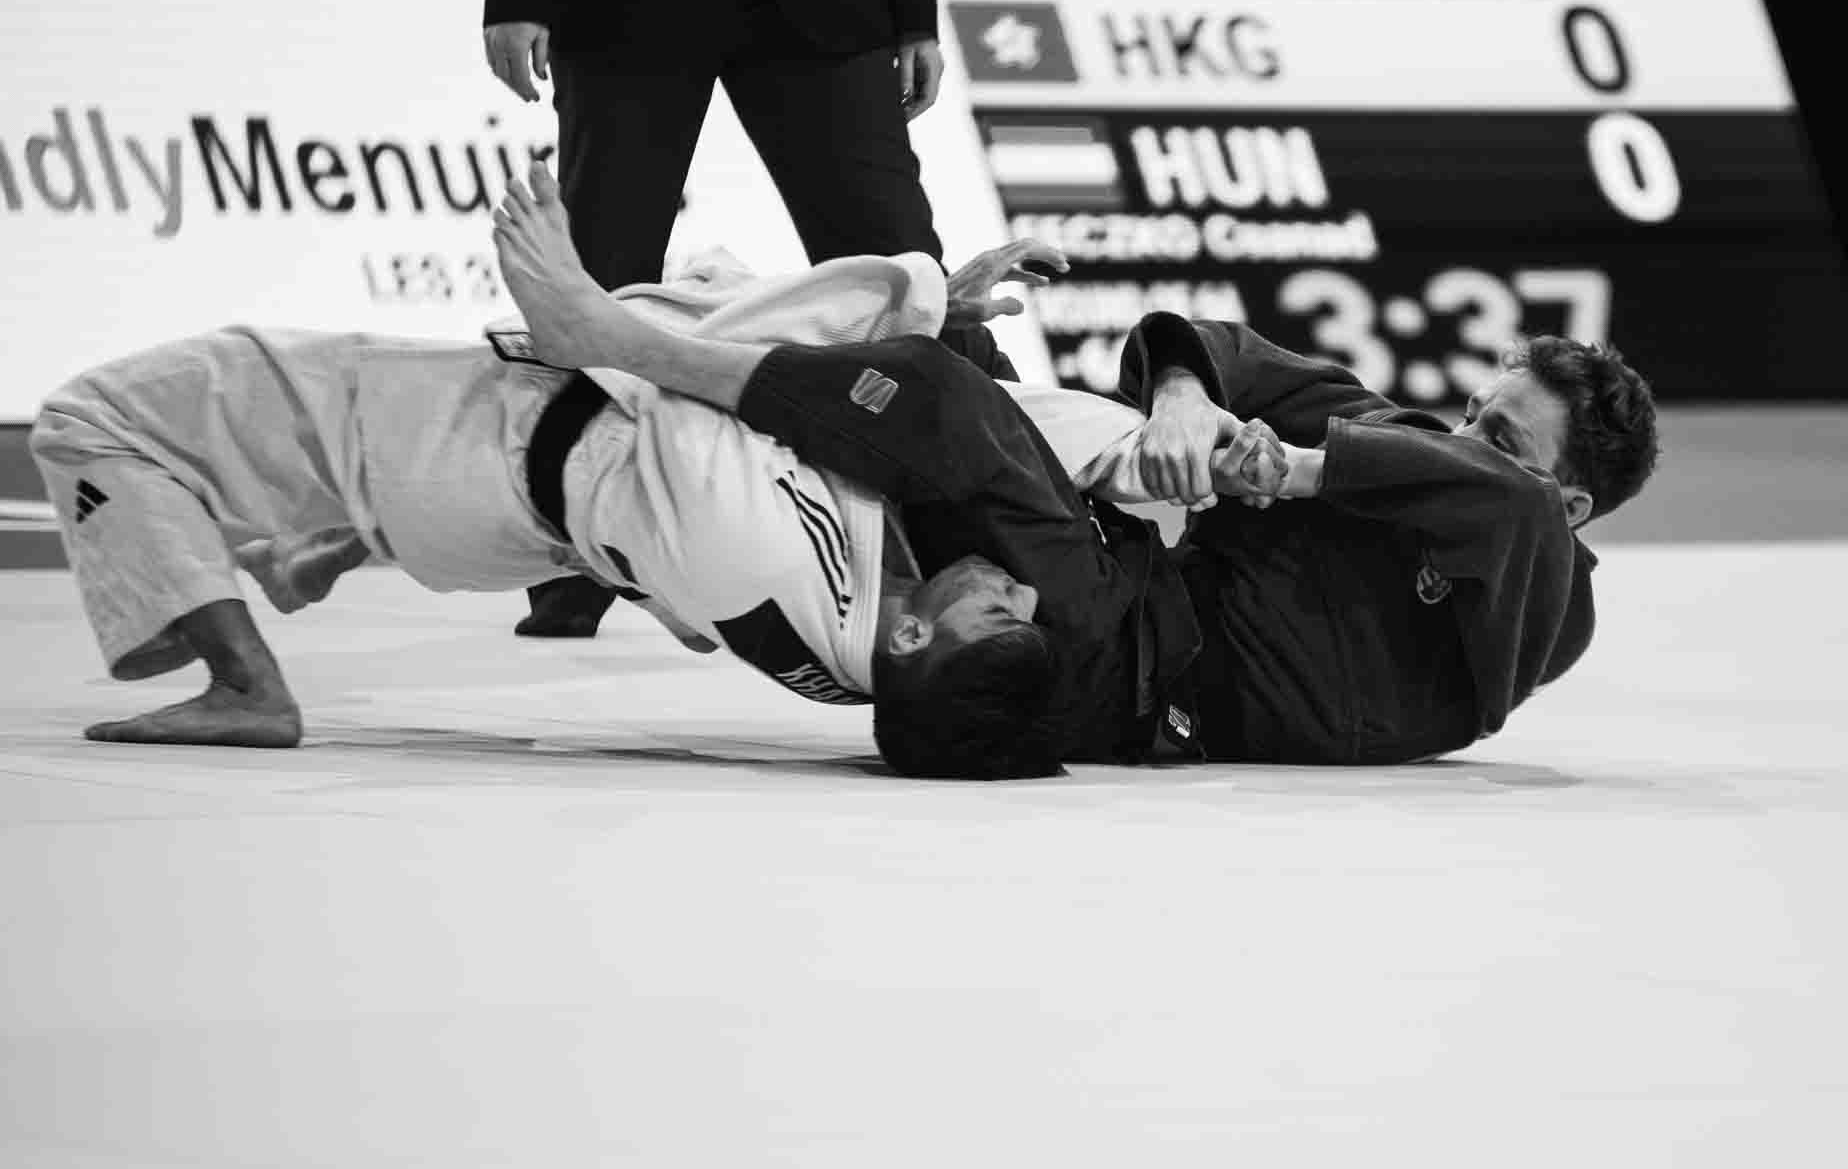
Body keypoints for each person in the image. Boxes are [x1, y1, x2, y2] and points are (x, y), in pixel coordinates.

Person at [495, 162, 1662, 769]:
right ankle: (629, 467)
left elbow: (1507, 515)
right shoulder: (1405, 437)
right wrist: (1187, 400)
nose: (1464, 439)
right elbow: (1221, 346)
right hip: (1121, 582)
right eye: (1474, 413)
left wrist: (1305, 473)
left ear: (1572, 501)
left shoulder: (1547, 607)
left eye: (1502, 438)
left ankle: (621, 342)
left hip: (1126, 686)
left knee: (942, 399)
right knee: (950, 346)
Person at [28, 244, 1072, 779]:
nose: (1014, 589)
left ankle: (245, 684)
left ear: (911, 636)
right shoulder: (853, 641)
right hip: (512, 500)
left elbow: (705, 371)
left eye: (994, 611)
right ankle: (332, 541)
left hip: (475, 448)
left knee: (99, 416)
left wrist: (910, 296)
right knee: (342, 460)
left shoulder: (763, 561)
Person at [482, 0, 947, 639]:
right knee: (602, 270)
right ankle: (570, 555)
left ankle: (969, 523)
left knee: (900, 262)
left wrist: (911, 7)